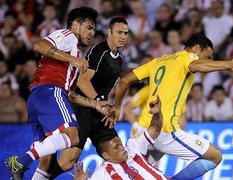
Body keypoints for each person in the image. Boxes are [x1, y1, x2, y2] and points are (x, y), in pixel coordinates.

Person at [105, 34, 233, 179]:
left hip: (145, 129)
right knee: (215, 156)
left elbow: (123, 81)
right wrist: (228, 64)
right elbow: (195, 65)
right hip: (164, 130)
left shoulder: (158, 61)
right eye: (208, 56)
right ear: (197, 49)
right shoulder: (188, 57)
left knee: (142, 173)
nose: (209, 60)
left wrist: (117, 106)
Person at [5, 7, 98, 180]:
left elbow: (68, 94)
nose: (92, 33)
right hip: (49, 92)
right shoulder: (68, 36)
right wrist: (73, 59)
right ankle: (19, 161)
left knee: (46, 161)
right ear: (76, 25)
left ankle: (18, 169)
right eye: (89, 27)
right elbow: (40, 45)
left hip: (40, 96)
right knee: (72, 135)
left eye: (94, 29)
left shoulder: (74, 53)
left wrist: (95, 104)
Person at [38, 17, 130, 180]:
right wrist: (97, 102)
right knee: (67, 163)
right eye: (119, 32)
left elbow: (119, 84)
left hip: (100, 112)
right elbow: (81, 80)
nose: (123, 36)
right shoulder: (99, 51)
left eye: (126, 33)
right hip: (83, 109)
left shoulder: (120, 59)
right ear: (109, 32)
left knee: (119, 151)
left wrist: (115, 106)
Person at [71, 97, 172, 179]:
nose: (122, 148)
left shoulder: (133, 146)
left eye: (120, 144)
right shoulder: (102, 174)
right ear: (106, 155)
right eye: (116, 147)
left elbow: (155, 129)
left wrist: (157, 112)